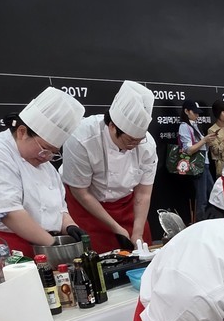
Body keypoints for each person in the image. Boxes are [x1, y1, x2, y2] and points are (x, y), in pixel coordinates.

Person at [0, 87, 84, 257]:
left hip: (39, 245)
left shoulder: (46, 166)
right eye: (45, 148)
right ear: (22, 132)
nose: (47, 157)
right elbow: (9, 213)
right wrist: (54, 246)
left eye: (53, 153)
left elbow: (59, 209)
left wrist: (70, 226)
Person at [60, 80, 157, 254]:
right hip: (87, 205)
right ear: (112, 126)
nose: (134, 145)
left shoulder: (147, 144)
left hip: (126, 205)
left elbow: (143, 193)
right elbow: (81, 192)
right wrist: (116, 228)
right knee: (97, 258)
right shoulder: (82, 139)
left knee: (140, 251)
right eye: (130, 140)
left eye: (139, 140)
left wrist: (138, 232)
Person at [178, 99, 216, 222]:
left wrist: (208, 142)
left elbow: (201, 147)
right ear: (186, 111)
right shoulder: (184, 126)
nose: (197, 115)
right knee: (202, 198)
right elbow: (188, 150)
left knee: (212, 194)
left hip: (204, 163)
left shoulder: (194, 125)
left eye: (198, 113)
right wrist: (204, 140)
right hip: (197, 165)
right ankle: (201, 223)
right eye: (194, 112)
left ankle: (209, 220)